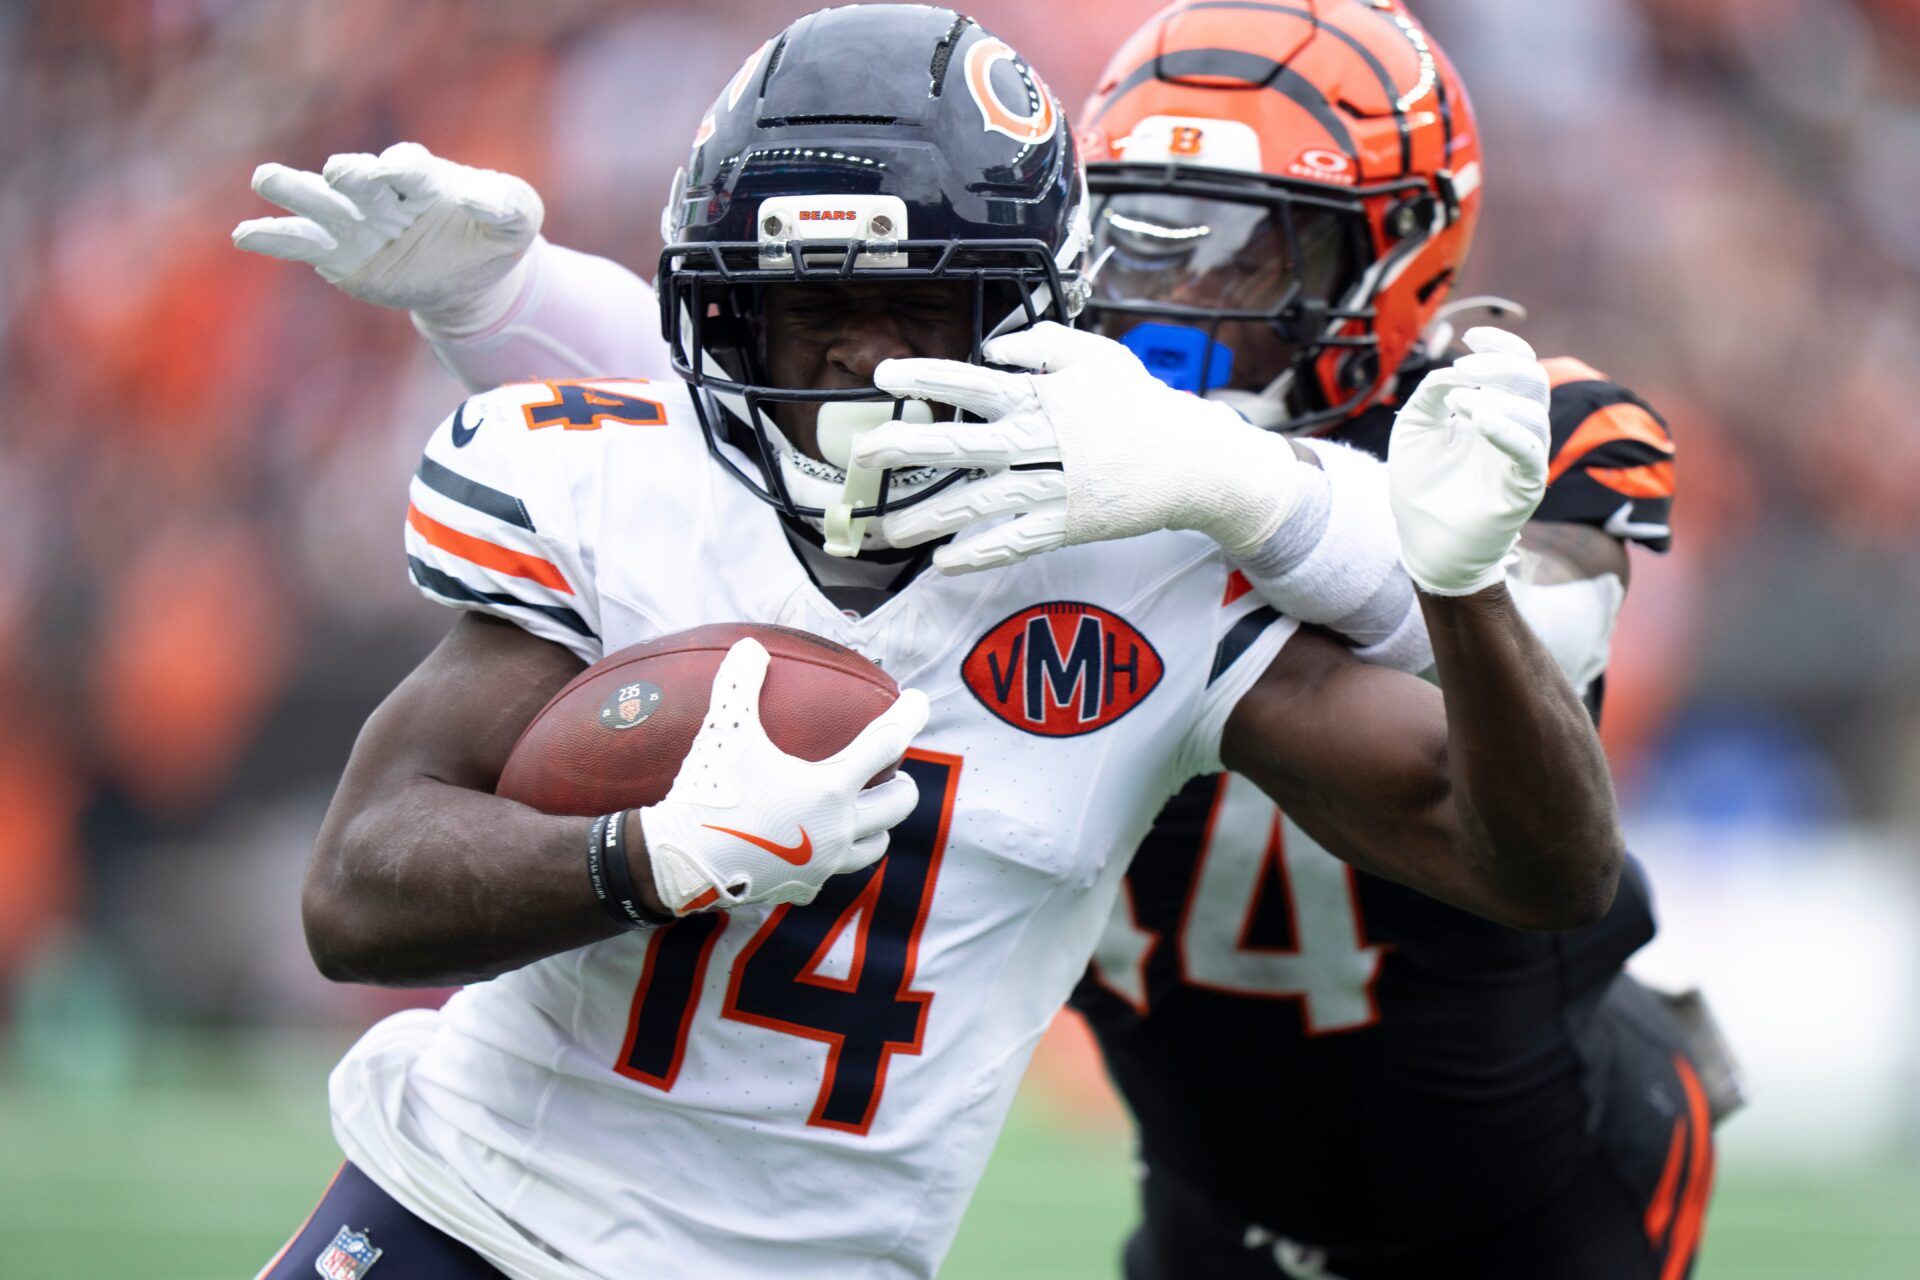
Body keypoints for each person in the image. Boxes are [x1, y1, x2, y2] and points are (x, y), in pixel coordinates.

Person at [237, 6, 1624, 1279]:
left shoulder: (1152, 562)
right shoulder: (621, 488)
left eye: (921, 302)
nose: (862, 357)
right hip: (463, 1217)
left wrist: (1463, 588)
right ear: (723, 311)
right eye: (811, 305)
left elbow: (1540, 864)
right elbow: (355, 896)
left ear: (1035, 305)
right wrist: (653, 854)